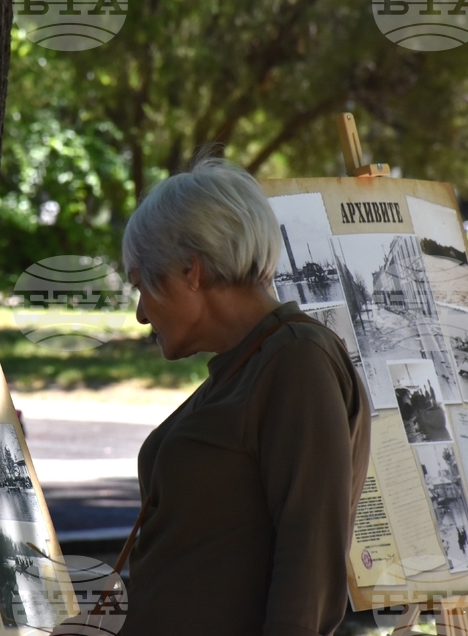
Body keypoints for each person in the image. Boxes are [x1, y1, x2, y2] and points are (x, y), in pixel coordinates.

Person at [117, 158, 371, 636]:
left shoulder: (297, 360)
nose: (141, 315)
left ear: (191, 270)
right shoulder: (250, 363)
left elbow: (308, 570)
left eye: (142, 285)